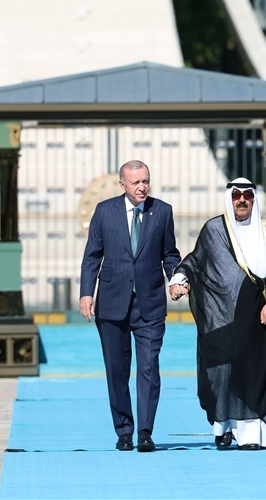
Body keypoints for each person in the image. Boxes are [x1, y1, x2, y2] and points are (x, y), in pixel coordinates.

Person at [170, 178, 266, 450]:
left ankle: (252, 434)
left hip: (259, 312)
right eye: (236, 196)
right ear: (229, 199)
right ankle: (223, 426)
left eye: (247, 196)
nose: (242, 200)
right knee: (222, 373)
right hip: (222, 316)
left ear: (254, 198)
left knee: (255, 372)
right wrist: (179, 280)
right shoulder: (214, 229)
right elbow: (195, 262)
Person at [79, 160, 181, 453]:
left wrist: (176, 279)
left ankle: (145, 432)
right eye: (136, 182)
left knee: (149, 368)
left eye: (146, 181)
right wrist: (87, 293)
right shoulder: (104, 211)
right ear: (122, 184)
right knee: (117, 371)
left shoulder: (162, 211)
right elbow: (92, 256)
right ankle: (124, 430)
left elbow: (170, 254)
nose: (142, 187)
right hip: (111, 303)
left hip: (150, 304)